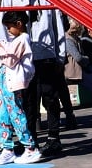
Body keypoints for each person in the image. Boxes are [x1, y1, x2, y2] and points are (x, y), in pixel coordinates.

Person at [0, 13, 42, 165]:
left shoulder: (23, 38)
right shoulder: (17, 39)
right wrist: (2, 46)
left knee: (16, 114)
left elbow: (10, 60)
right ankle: (7, 148)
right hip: (5, 80)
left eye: (9, 27)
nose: (8, 30)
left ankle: (30, 148)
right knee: (4, 115)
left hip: (13, 81)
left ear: (19, 24)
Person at [26, 8, 76, 156]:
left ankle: (54, 137)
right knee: (30, 100)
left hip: (47, 56)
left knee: (51, 98)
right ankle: (31, 140)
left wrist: (60, 56)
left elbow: (58, 27)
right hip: (26, 56)